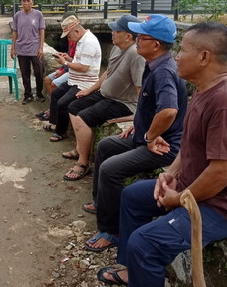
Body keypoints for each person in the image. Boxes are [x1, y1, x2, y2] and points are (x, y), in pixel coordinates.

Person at [96, 22, 227, 287]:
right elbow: (189, 144)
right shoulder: (203, 92)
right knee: (132, 197)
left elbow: (224, 171)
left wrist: (181, 198)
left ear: (204, 57)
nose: (177, 57)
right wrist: (170, 174)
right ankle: (134, 270)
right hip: (195, 188)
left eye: (183, 50)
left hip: (224, 205)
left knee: (147, 241)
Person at [84, 14, 187, 252]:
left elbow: (169, 111)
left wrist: (150, 136)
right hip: (146, 136)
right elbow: (151, 106)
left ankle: (113, 232)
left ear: (156, 44)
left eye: (141, 37)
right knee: (106, 146)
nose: (137, 41)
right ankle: (102, 204)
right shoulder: (154, 65)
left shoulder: (163, 72)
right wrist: (140, 124)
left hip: (164, 146)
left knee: (111, 169)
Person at [62, 15, 145, 181]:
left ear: (128, 36)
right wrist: (90, 90)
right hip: (106, 94)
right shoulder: (117, 47)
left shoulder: (136, 55)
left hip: (122, 102)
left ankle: (83, 163)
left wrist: (139, 118)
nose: (112, 33)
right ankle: (80, 148)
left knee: (83, 118)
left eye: (116, 30)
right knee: (73, 106)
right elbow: (108, 72)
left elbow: (140, 89)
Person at [45, 15, 101, 142]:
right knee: (55, 94)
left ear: (76, 31)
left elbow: (84, 68)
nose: (69, 39)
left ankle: (61, 132)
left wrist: (65, 63)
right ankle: (55, 123)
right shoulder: (81, 40)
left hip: (84, 83)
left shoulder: (89, 43)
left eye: (69, 36)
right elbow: (79, 62)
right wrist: (68, 58)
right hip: (74, 79)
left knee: (63, 103)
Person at [11, 0, 45, 104]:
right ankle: (27, 95)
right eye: (24, 1)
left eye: (28, 1)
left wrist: (41, 47)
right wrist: (13, 48)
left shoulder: (38, 14)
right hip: (22, 49)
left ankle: (39, 93)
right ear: (21, 3)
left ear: (32, 2)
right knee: (25, 74)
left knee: (39, 72)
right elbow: (15, 32)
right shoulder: (17, 16)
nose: (26, 3)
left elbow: (41, 31)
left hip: (35, 49)